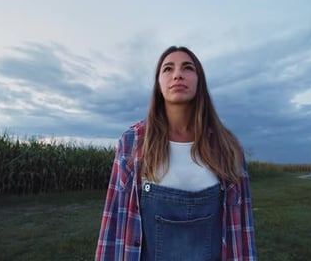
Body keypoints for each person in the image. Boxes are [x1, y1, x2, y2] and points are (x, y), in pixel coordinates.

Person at [95, 46, 256, 260]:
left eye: (187, 68)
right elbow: (115, 220)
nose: (177, 74)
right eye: (168, 69)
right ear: (158, 84)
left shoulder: (227, 147)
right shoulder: (132, 142)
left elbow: (242, 230)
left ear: (200, 81)